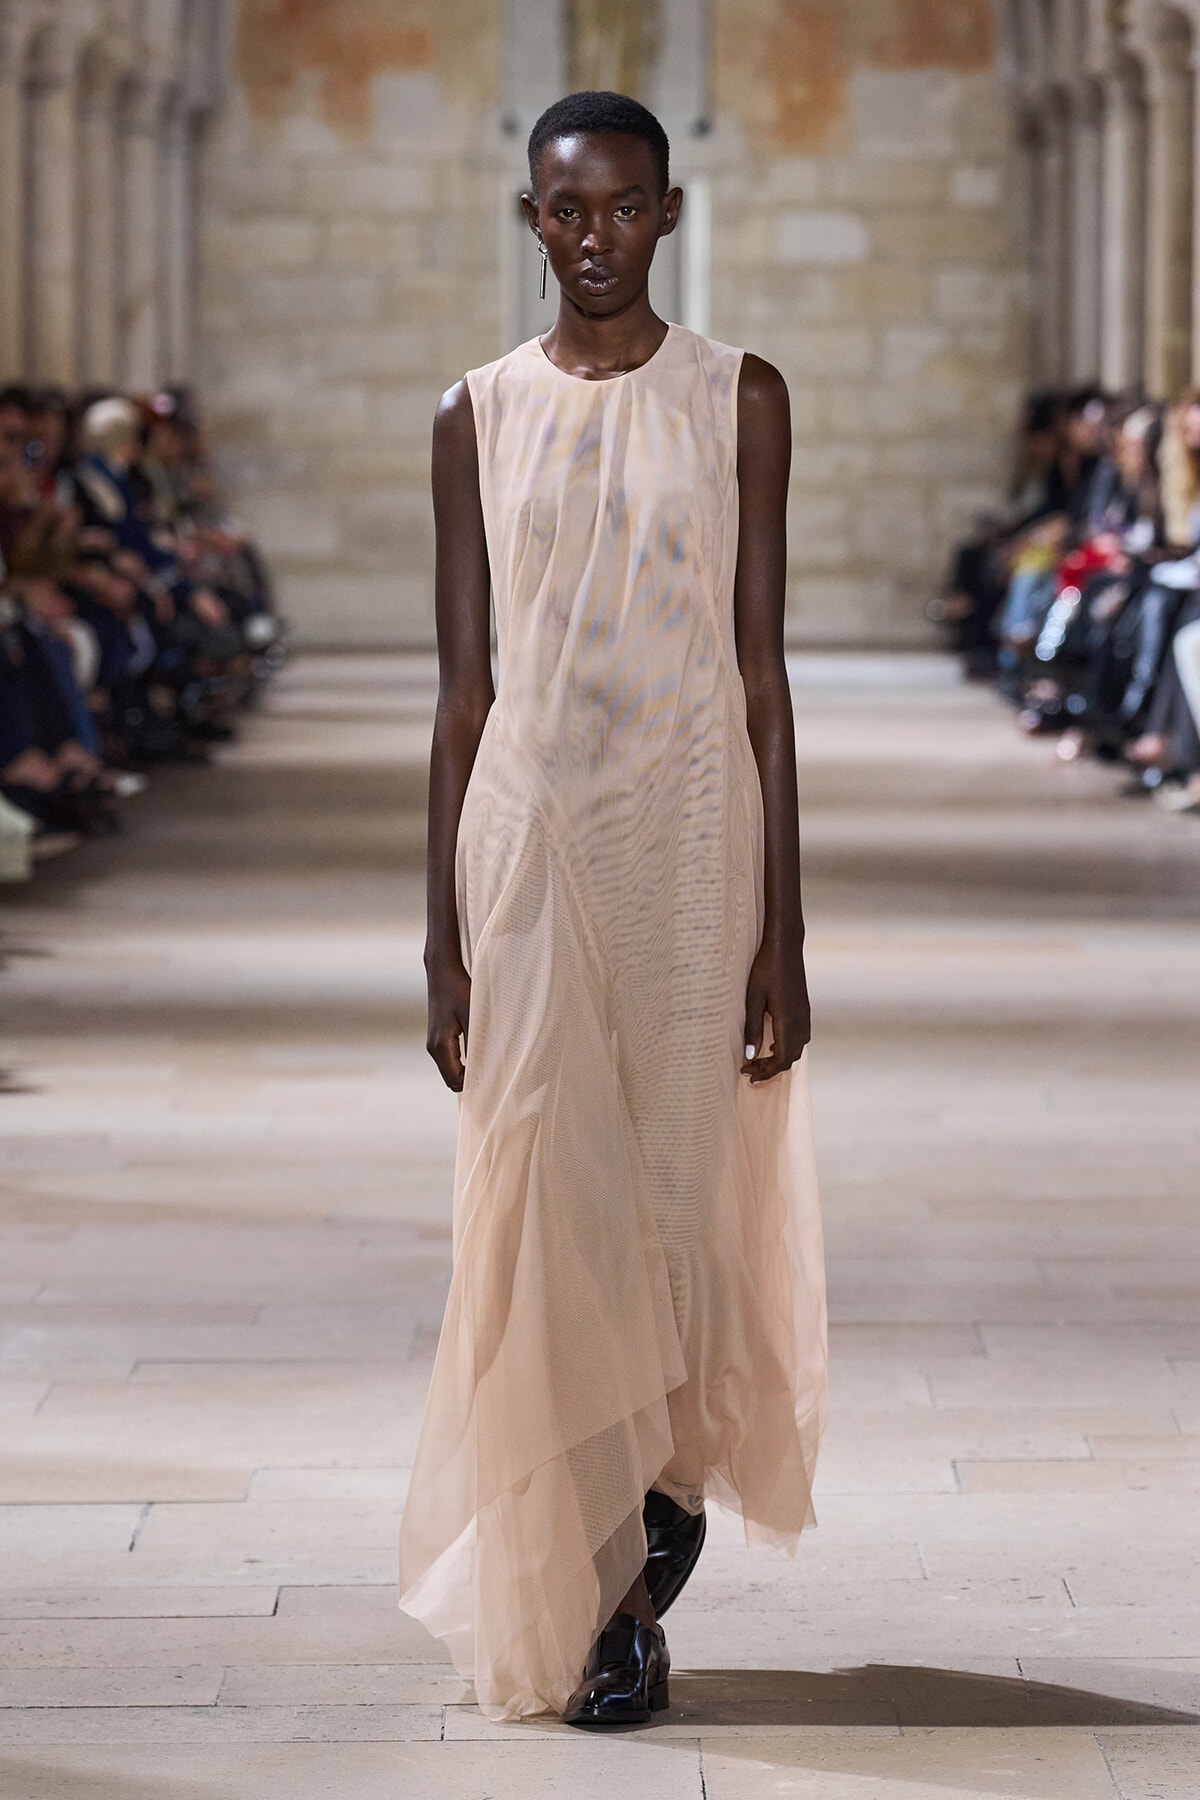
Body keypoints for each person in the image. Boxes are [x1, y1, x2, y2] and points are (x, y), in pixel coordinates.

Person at [398, 90, 827, 1727]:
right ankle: (610, 1601)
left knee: (670, 1191)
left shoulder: (743, 398)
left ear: (666, 215)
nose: (594, 237)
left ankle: (654, 1490)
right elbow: (459, 693)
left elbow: (765, 672)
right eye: (566, 210)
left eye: (623, 207)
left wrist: (785, 925)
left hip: (691, 831)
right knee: (536, 1198)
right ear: (532, 219)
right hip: (528, 844)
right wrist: (439, 940)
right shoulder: (476, 412)